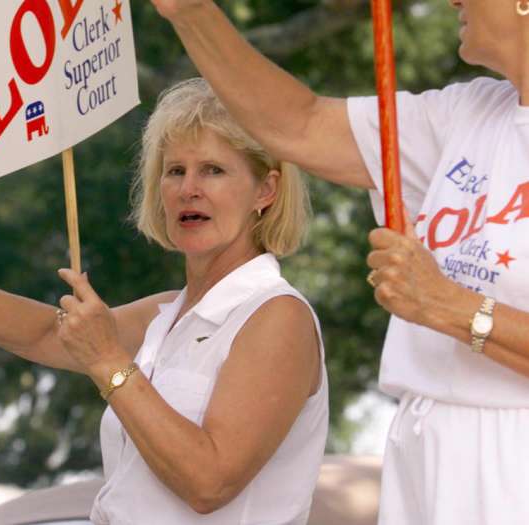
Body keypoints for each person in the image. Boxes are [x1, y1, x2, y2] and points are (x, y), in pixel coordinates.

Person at [0, 78, 328, 525]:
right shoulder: (168, 313)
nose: (189, 188)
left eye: (213, 170)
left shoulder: (276, 316)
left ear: (265, 190)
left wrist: (107, 360)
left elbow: (209, 481)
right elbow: (46, 333)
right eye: (174, 170)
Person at [149, 1, 529, 524]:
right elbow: (299, 125)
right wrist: (191, 13)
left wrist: (451, 307)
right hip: (425, 440)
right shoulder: (468, 112)